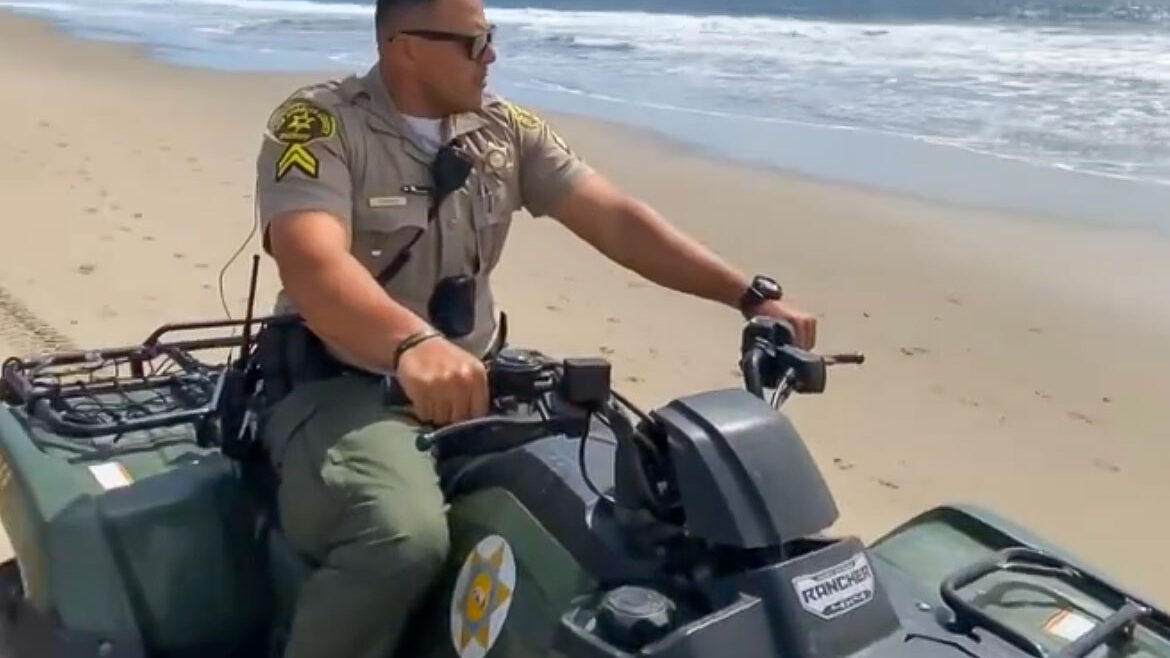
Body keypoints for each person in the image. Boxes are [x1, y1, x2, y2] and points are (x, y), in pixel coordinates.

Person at [251, 0, 817, 656]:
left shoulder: (504, 129)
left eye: (491, 38)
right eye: (473, 42)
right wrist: (411, 344)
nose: (490, 56)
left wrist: (748, 295)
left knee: (644, 498)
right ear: (406, 46)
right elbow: (312, 261)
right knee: (399, 539)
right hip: (343, 382)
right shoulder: (318, 124)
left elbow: (616, 219)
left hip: (478, 374)